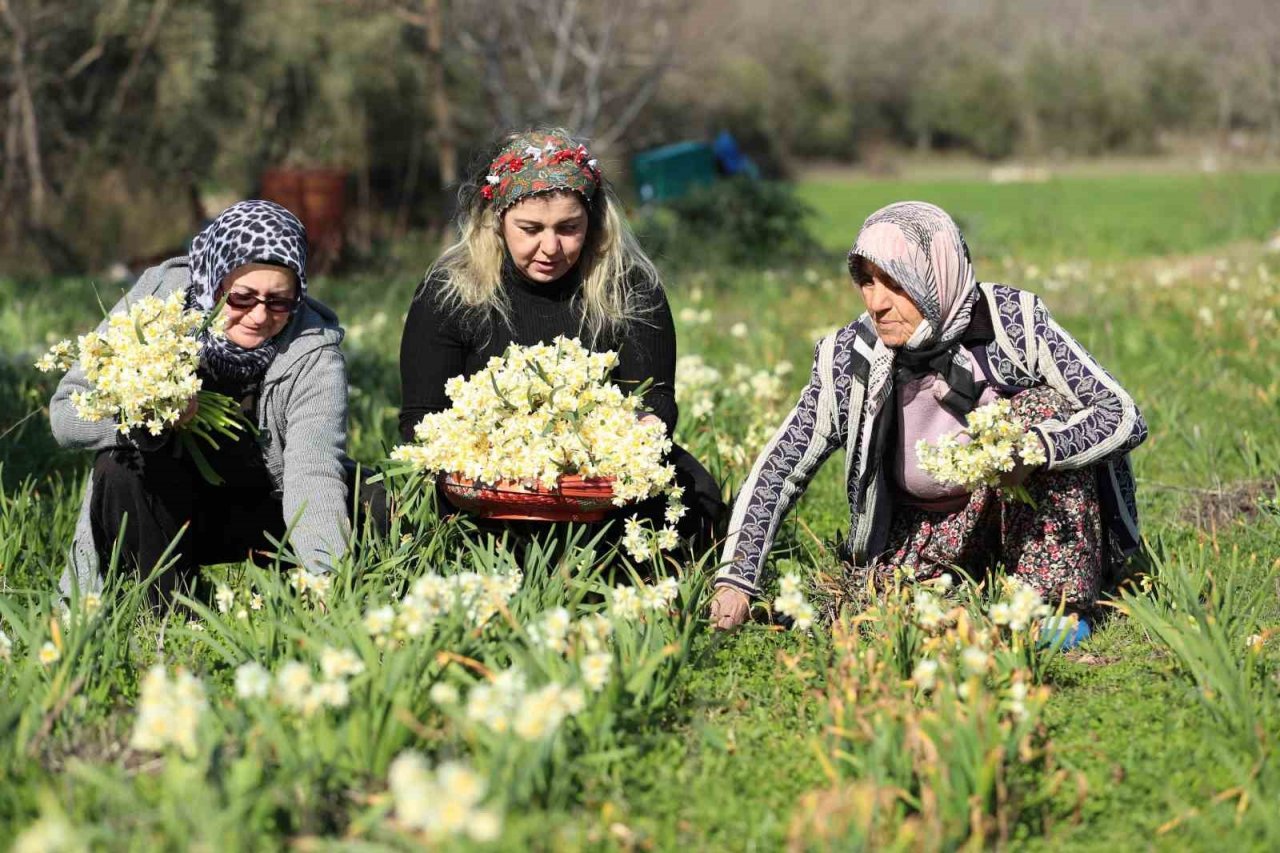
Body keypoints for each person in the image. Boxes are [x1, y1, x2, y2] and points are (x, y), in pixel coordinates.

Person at [709, 201, 1146, 633]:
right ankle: (966, 591)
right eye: (866, 281)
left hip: (1017, 515)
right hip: (923, 537)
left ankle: (1057, 609)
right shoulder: (851, 358)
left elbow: (1121, 414)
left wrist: (1034, 451)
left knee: (1040, 410)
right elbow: (780, 467)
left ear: (935, 277)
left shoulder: (1012, 323)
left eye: (895, 284)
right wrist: (736, 578)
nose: (876, 302)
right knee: (881, 617)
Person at [399, 128, 725, 553]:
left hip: (599, 482)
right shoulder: (450, 290)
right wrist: (497, 459)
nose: (550, 247)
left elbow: (656, 397)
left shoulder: (630, 288)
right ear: (496, 221)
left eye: (568, 228)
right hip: (486, 483)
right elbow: (420, 418)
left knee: (694, 494)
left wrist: (637, 434)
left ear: (592, 221)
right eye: (530, 228)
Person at [52, 200, 361, 604]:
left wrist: (328, 585)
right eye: (242, 298)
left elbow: (313, 470)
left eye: (279, 301)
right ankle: (164, 605)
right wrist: (149, 416)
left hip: (260, 504)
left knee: (369, 497)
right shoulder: (158, 307)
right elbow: (65, 415)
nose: (259, 316)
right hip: (168, 506)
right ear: (215, 281)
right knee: (118, 467)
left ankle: (297, 594)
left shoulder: (313, 351)